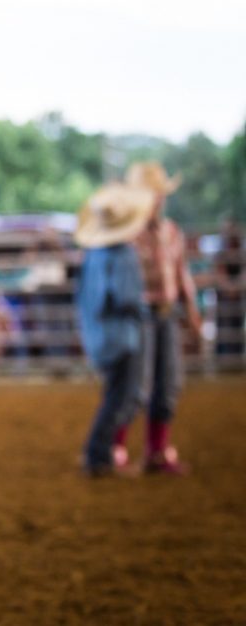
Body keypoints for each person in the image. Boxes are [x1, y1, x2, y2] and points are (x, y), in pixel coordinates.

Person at [124, 161, 202, 475]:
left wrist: (192, 311)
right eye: (153, 193)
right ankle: (117, 448)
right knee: (138, 385)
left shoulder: (171, 233)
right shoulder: (129, 235)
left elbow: (182, 274)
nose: (159, 200)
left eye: (160, 193)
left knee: (168, 382)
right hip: (141, 314)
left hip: (166, 313)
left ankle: (157, 451)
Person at [73, 182, 153, 477]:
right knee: (123, 396)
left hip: (98, 335)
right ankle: (98, 453)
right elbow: (127, 298)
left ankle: (100, 452)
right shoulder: (123, 255)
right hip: (122, 335)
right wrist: (146, 312)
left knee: (115, 394)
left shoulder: (93, 255)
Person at [213, 217, 244, 360]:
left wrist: (235, 288)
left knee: (236, 331)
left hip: (237, 299)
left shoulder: (241, 255)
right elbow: (220, 275)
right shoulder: (221, 255)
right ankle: (224, 361)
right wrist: (230, 288)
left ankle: (234, 360)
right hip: (225, 299)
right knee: (224, 332)